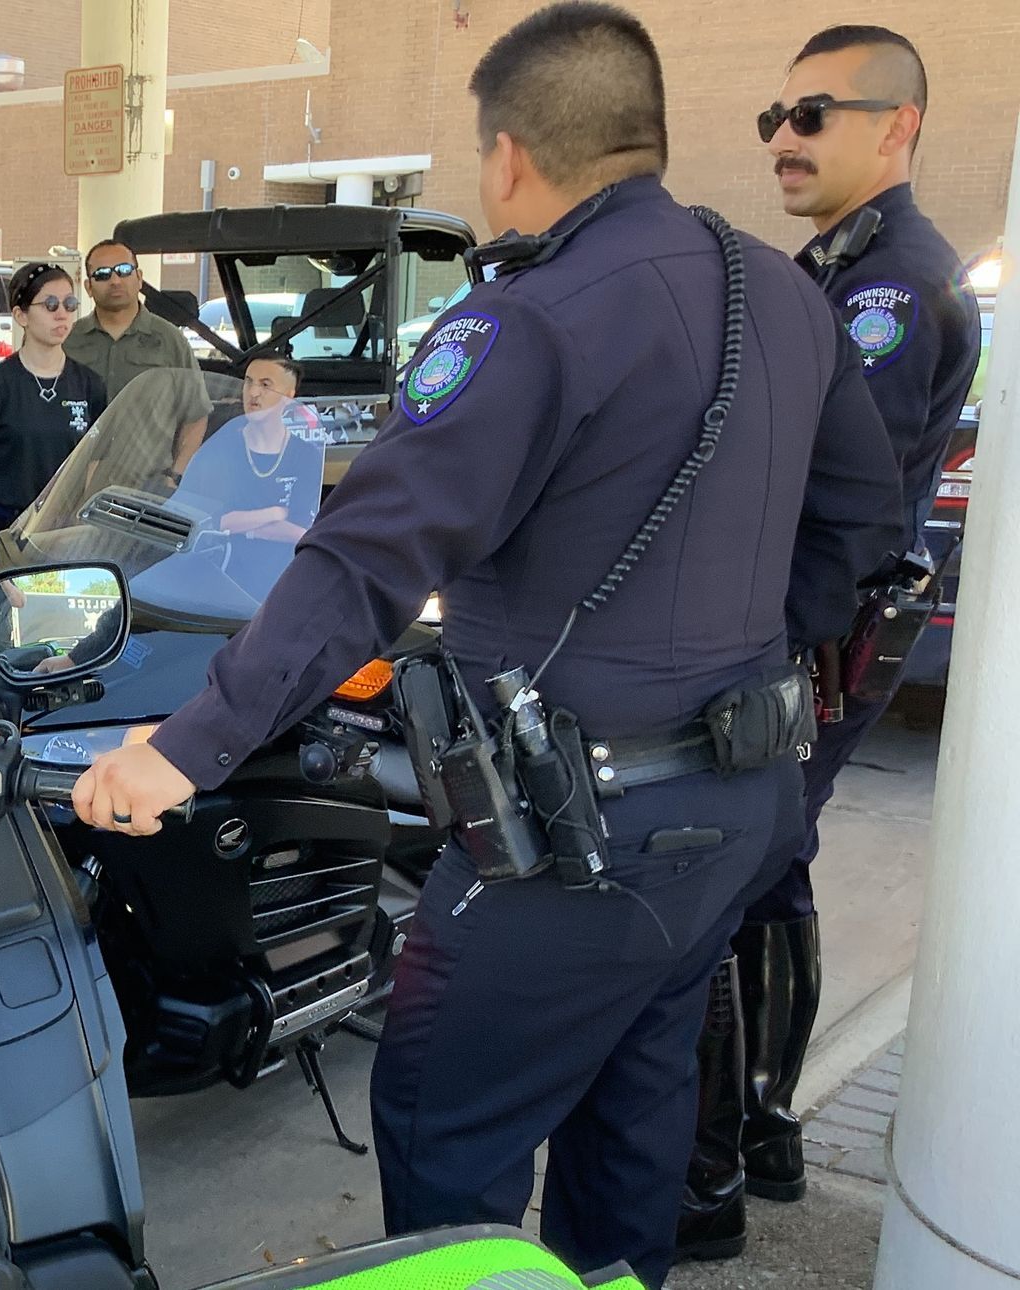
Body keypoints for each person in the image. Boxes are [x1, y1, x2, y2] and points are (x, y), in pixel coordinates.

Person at [69, 7, 901, 1285]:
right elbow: (858, 521)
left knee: (441, 1131)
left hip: (568, 842)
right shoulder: (782, 293)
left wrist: (188, 747)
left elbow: (361, 558)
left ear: (510, 154)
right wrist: (740, 664)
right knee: (633, 1125)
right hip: (735, 803)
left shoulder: (526, 320)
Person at [679, 24, 981, 1262]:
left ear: (897, 124)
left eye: (813, 116)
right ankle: (763, 1128)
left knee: (715, 874)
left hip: (814, 638)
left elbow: (832, 493)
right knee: (773, 866)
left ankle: (700, 1182)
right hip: (821, 633)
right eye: (775, 117)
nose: (783, 138)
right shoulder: (843, 263)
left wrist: (757, 643)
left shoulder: (892, 285)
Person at [0, 262, 108, 530]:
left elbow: (93, 464)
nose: (62, 314)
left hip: (64, 525)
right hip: (4, 525)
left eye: (69, 304)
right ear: (21, 315)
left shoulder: (89, 384)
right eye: (50, 305)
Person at [169, 356, 323, 600]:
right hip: (220, 574)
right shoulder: (220, 446)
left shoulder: (307, 456)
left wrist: (246, 527)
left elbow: (299, 531)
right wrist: (273, 514)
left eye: (265, 385)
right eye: (248, 382)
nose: (253, 392)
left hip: (281, 577)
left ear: (289, 395)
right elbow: (214, 522)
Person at [64, 239, 200, 398]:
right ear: (88, 287)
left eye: (124, 270)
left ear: (139, 278)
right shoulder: (67, 340)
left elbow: (195, 411)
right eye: (103, 274)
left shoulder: (171, 339)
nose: (115, 281)